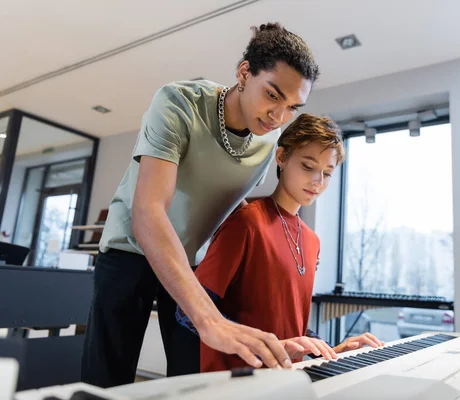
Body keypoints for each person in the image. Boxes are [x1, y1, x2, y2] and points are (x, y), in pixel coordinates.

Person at [81, 22, 320, 387]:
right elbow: (149, 212)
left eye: (292, 107)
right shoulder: (178, 104)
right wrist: (208, 318)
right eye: (272, 95)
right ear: (244, 73)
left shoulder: (268, 142)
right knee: (107, 380)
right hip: (129, 250)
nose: (278, 117)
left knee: (193, 378)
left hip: (191, 262)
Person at [176, 114, 384, 372]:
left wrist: (330, 350)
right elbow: (188, 314)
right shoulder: (246, 224)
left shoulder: (311, 241)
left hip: (285, 382)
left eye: (327, 174)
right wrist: (268, 346)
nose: (318, 182)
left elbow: (289, 323)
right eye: (308, 167)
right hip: (235, 383)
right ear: (282, 157)